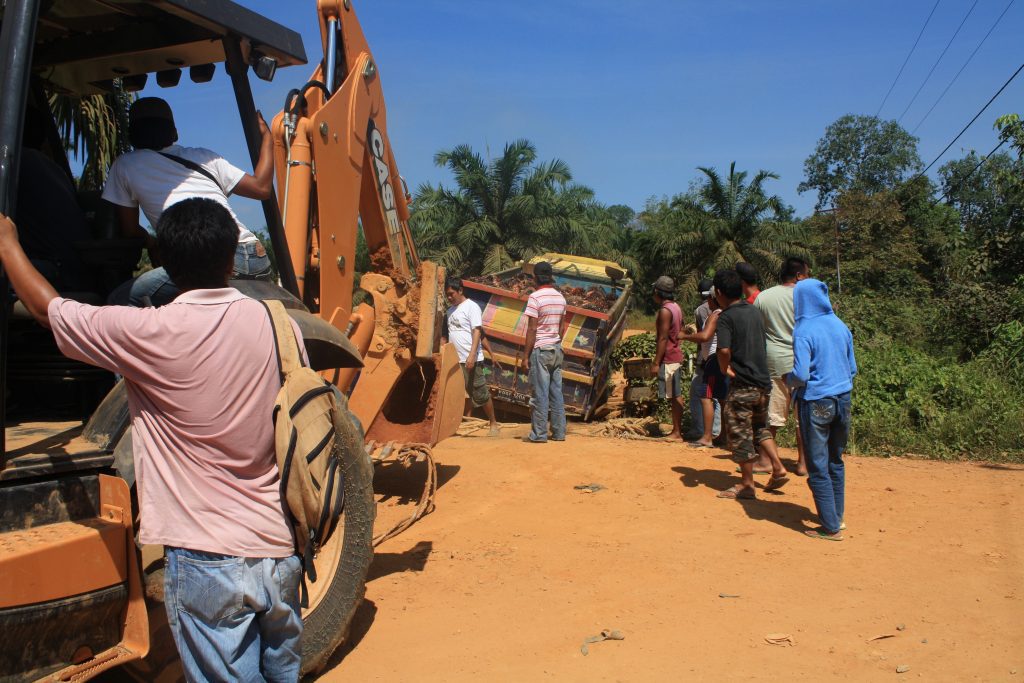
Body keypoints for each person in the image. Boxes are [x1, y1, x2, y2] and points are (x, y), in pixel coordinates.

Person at [0, 198, 304, 680]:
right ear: (231, 259)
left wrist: (7, 244)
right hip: (279, 552)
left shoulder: (147, 332)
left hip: (207, 560)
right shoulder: (280, 326)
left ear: (162, 263)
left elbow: (46, 310)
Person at [104, 97, 275, 306]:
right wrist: (268, 138)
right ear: (174, 132)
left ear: (131, 134)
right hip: (255, 256)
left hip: (206, 261)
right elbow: (261, 188)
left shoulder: (125, 165)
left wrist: (153, 244)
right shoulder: (204, 157)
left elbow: (130, 231)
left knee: (120, 298)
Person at [788, 278, 857, 541]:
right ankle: (836, 517)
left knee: (817, 465)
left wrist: (787, 379)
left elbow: (801, 374)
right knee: (835, 460)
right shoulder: (840, 325)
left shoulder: (803, 330)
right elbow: (852, 368)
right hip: (843, 398)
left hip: (816, 401)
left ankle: (830, 528)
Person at [712, 269, 789, 499]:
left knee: (739, 432)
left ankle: (747, 485)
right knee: (760, 428)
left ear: (718, 292)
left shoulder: (726, 317)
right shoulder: (754, 311)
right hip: (763, 382)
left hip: (743, 384)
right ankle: (778, 467)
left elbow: (723, 350)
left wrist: (724, 367)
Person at [754, 256, 811, 475]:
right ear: (799, 275)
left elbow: (757, 331)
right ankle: (803, 464)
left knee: (771, 414)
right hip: (803, 362)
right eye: (807, 274)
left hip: (774, 361)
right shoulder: (807, 297)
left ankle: (766, 460)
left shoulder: (764, 297)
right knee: (802, 415)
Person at [444, 276, 501, 436]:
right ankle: (455, 425)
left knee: (480, 393)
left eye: (451, 294)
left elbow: (477, 332)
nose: (449, 297)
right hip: (455, 360)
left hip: (470, 360)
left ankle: (493, 423)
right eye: (447, 295)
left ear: (460, 290)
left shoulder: (471, 307)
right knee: (456, 393)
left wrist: (472, 355)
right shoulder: (450, 311)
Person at [522, 261, 567, 443]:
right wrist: (556, 343)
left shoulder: (535, 298)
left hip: (541, 350)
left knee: (540, 393)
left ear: (535, 277)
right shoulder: (561, 298)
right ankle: (559, 433)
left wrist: (525, 356)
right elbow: (562, 328)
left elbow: (532, 329)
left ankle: (539, 434)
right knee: (556, 393)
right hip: (556, 349)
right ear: (550, 277)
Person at [682, 282, 723, 448]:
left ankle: (707, 436)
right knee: (720, 398)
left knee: (706, 397)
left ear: (713, 298)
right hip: (716, 359)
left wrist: (684, 337)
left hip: (711, 360)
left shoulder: (714, 314)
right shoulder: (722, 312)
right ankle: (720, 434)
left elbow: (704, 336)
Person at [651, 275, 686, 441]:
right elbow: (681, 329)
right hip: (675, 354)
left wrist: (656, 362)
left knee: (675, 395)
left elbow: (663, 338)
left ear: (658, 292)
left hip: (670, 357)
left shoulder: (665, 311)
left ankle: (677, 432)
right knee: (675, 394)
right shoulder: (676, 307)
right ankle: (677, 430)